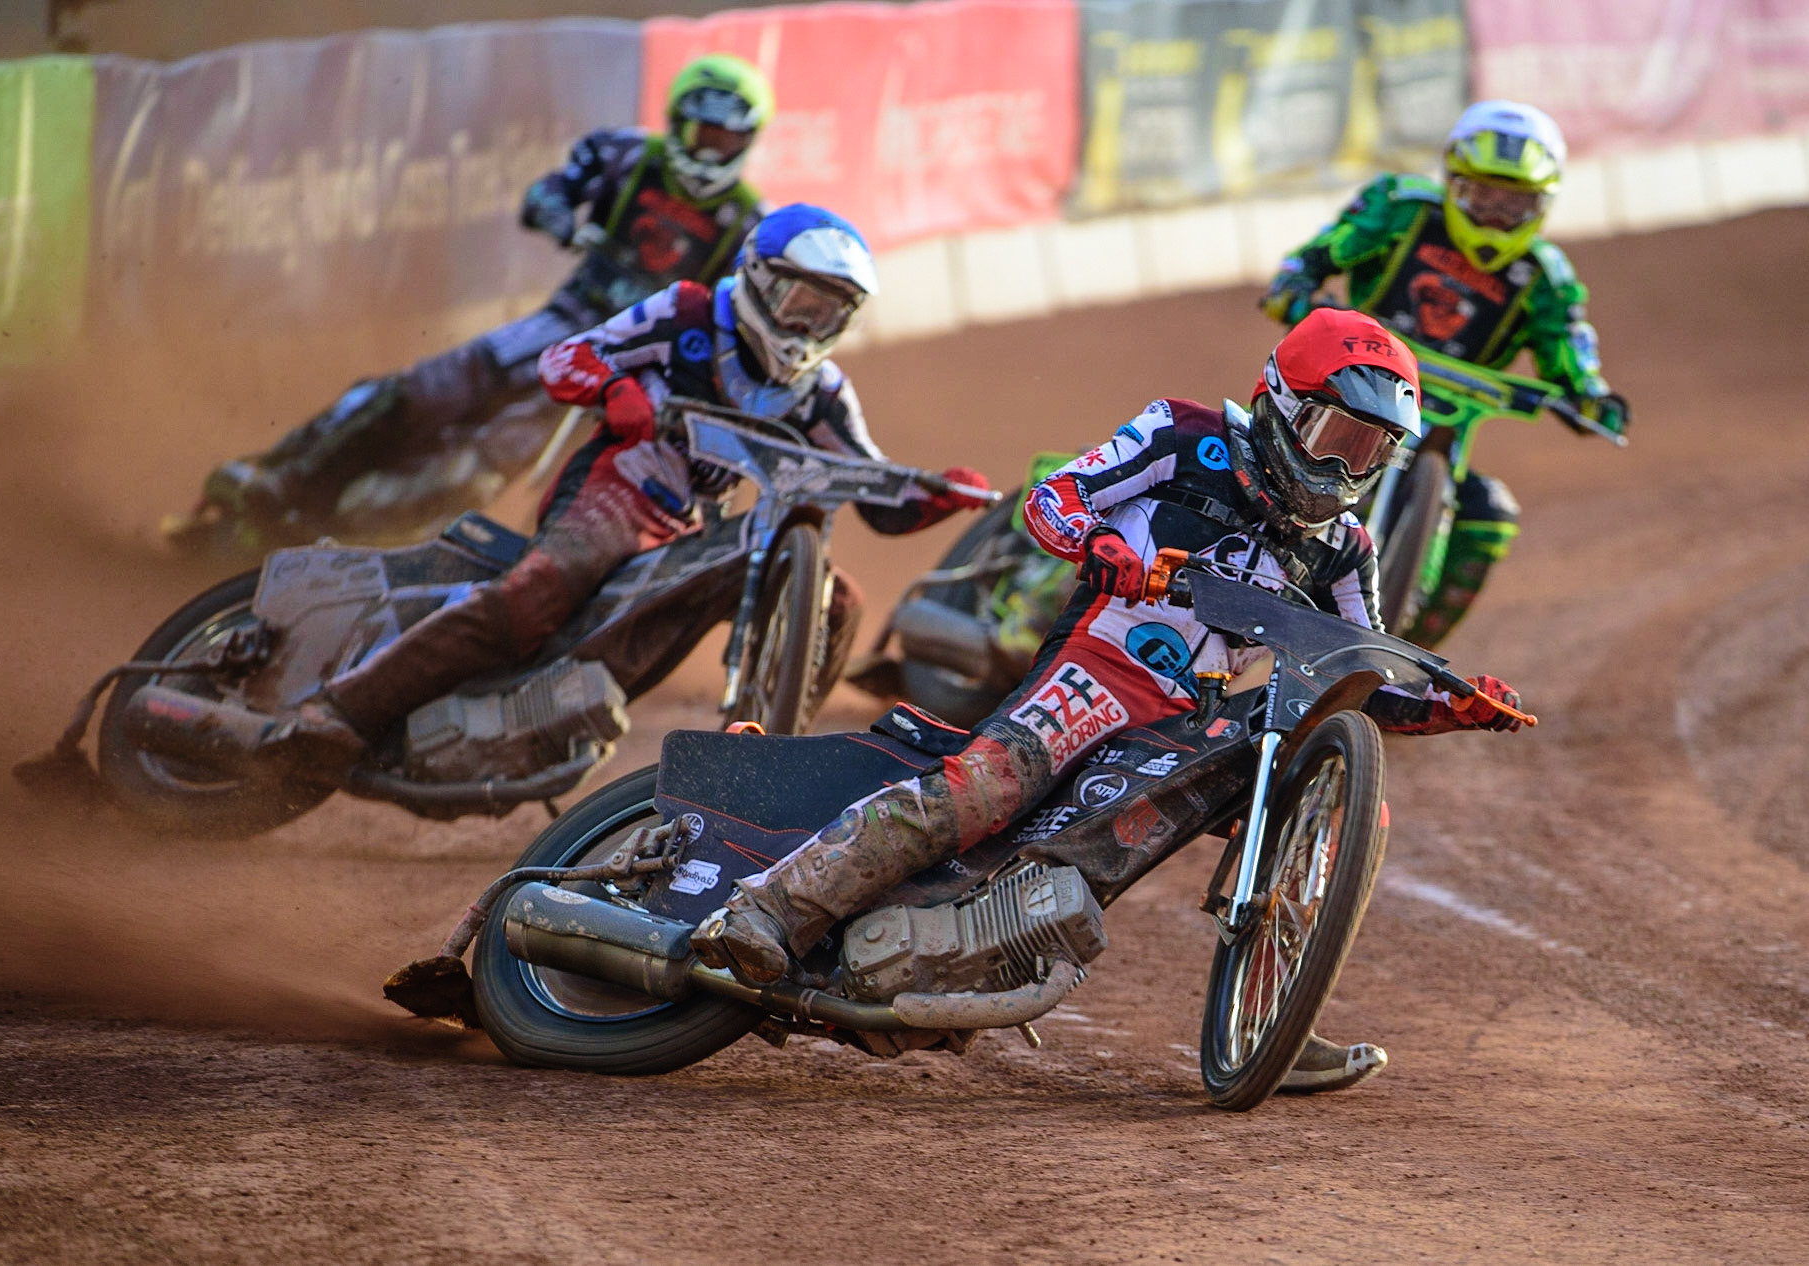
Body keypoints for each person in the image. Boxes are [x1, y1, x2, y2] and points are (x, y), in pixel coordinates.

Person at [692, 308, 1524, 1093]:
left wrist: (1448, 710)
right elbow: (1051, 499)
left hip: (1187, 717)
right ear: (1279, 403)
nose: (1345, 468)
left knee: (1316, 807)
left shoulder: (1345, 548)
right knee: (988, 789)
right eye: (1333, 437)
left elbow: (1359, 675)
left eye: (1371, 452)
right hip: (1096, 665)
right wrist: (1102, 546)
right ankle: (768, 908)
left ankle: (1278, 1007)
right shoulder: (1183, 435)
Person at [260, 203, 989, 771]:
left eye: (829, 312)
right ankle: (344, 711)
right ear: (762, 279)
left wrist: (937, 494)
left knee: (840, 599)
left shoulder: (821, 391)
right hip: (619, 486)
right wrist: (614, 390)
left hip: (695, 529)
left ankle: (763, 761)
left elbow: (874, 493)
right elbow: (563, 360)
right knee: (547, 585)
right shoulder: (686, 315)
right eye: (802, 301)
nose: (809, 325)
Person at [173, 54, 778, 550]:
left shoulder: (747, 222)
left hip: (631, 371)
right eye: (704, 133)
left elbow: (740, 319)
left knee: (479, 471)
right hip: (562, 324)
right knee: (430, 391)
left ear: (747, 142)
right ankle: (286, 482)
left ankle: (343, 536)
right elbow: (544, 196)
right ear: (677, 123)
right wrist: (565, 221)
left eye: (727, 139)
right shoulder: (624, 154)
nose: (710, 151)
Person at [1261, 100, 1630, 646]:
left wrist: (1590, 393)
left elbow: (1567, 342)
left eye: (1514, 203)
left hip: (1444, 426)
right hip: (1343, 389)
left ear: (1542, 204)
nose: (1493, 216)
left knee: (1491, 516)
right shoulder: (1401, 208)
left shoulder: (1545, 277)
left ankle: (1406, 663)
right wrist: (1296, 281)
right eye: (1483, 195)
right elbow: (1322, 253)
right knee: (1248, 454)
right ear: (1453, 182)